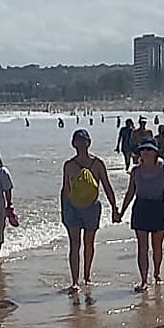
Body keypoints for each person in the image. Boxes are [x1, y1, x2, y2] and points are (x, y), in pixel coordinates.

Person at [61, 129, 119, 302]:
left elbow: (107, 186)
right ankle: (74, 281)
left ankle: (87, 275)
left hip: (92, 207)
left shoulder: (98, 164)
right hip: (72, 207)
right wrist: (62, 209)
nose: (80, 143)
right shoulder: (68, 165)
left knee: (89, 243)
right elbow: (65, 188)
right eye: (77, 140)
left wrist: (115, 208)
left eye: (83, 140)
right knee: (74, 244)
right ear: (73, 143)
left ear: (88, 142)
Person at [118, 141, 164, 291]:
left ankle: (156, 273)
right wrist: (121, 212)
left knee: (157, 247)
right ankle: (144, 280)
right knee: (142, 247)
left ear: (155, 152)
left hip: (159, 207)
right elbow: (130, 192)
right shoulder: (136, 171)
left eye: (149, 149)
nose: (146, 152)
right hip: (141, 207)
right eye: (143, 150)